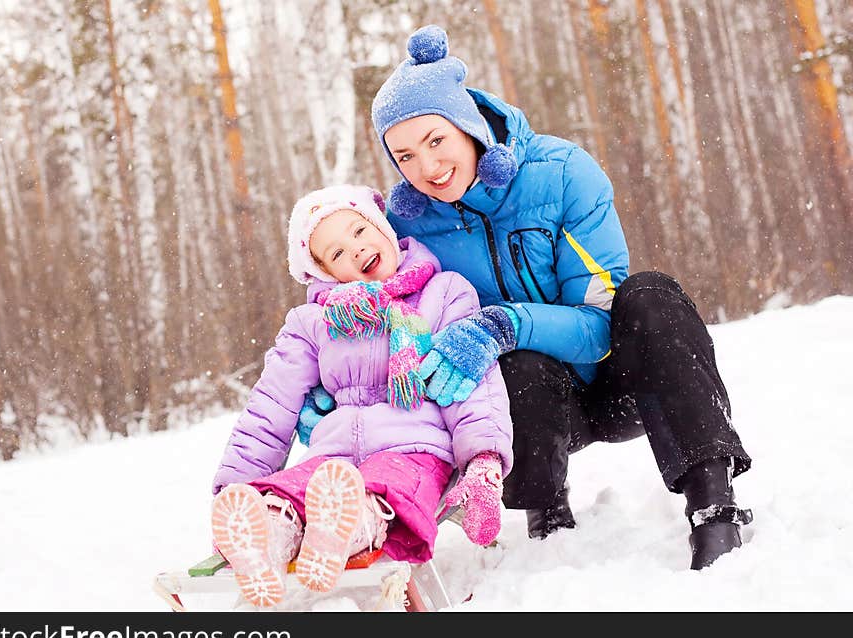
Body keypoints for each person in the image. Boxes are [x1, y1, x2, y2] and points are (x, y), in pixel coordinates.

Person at [301, 25, 753, 571]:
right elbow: (387, 312)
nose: (427, 168)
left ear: (467, 125)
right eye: (405, 156)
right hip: (527, 408)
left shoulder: (562, 174)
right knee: (516, 360)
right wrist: (335, 383)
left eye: (436, 141)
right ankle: (544, 509)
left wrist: (506, 322)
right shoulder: (407, 226)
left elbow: (598, 321)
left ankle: (713, 503)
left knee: (650, 295)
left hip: (621, 382)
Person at [210, 184, 513, 608]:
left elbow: (473, 385)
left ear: (383, 229)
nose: (354, 250)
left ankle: (347, 525)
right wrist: (234, 486)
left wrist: (483, 461)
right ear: (325, 275)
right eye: (335, 254)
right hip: (331, 457)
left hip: (417, 449)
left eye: (357, 231)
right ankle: (265, 535)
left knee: (382, 490)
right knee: (289, 492)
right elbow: (270, 406)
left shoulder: (444, 293)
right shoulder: (313, 322)